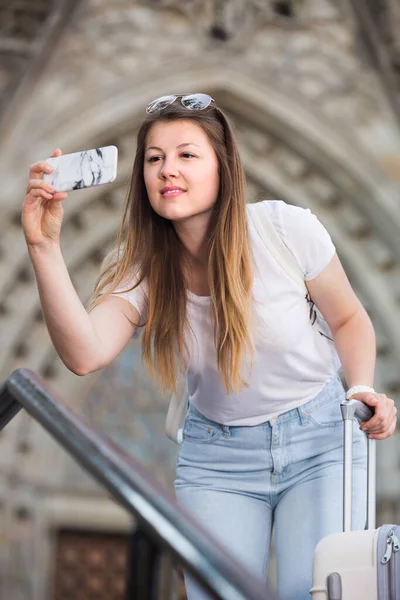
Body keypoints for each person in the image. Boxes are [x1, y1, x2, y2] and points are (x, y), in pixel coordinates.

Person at [22, 93, 397, 600]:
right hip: (218, 460)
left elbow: (350, 318)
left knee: (312, 591)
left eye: (186, 155)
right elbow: (84, 353)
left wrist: (363, 388)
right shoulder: (143, 270)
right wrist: (43, 247)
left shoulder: (285, 229)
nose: (166, 170)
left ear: (223, 167)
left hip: (321, 442)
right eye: (153, 159)